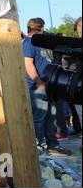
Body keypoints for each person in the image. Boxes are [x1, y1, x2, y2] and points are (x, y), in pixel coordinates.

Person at [22, 17, 71, 155]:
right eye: (41, 29)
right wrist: (38, 81)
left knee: (51, 115)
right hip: (38, 86)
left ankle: (52, 144)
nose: (43, 32)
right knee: (39, 117)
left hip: (50, 84)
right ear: (38, 29)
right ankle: (40, 145)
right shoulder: (28, 42)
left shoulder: (40, 42)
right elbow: (28, 64)